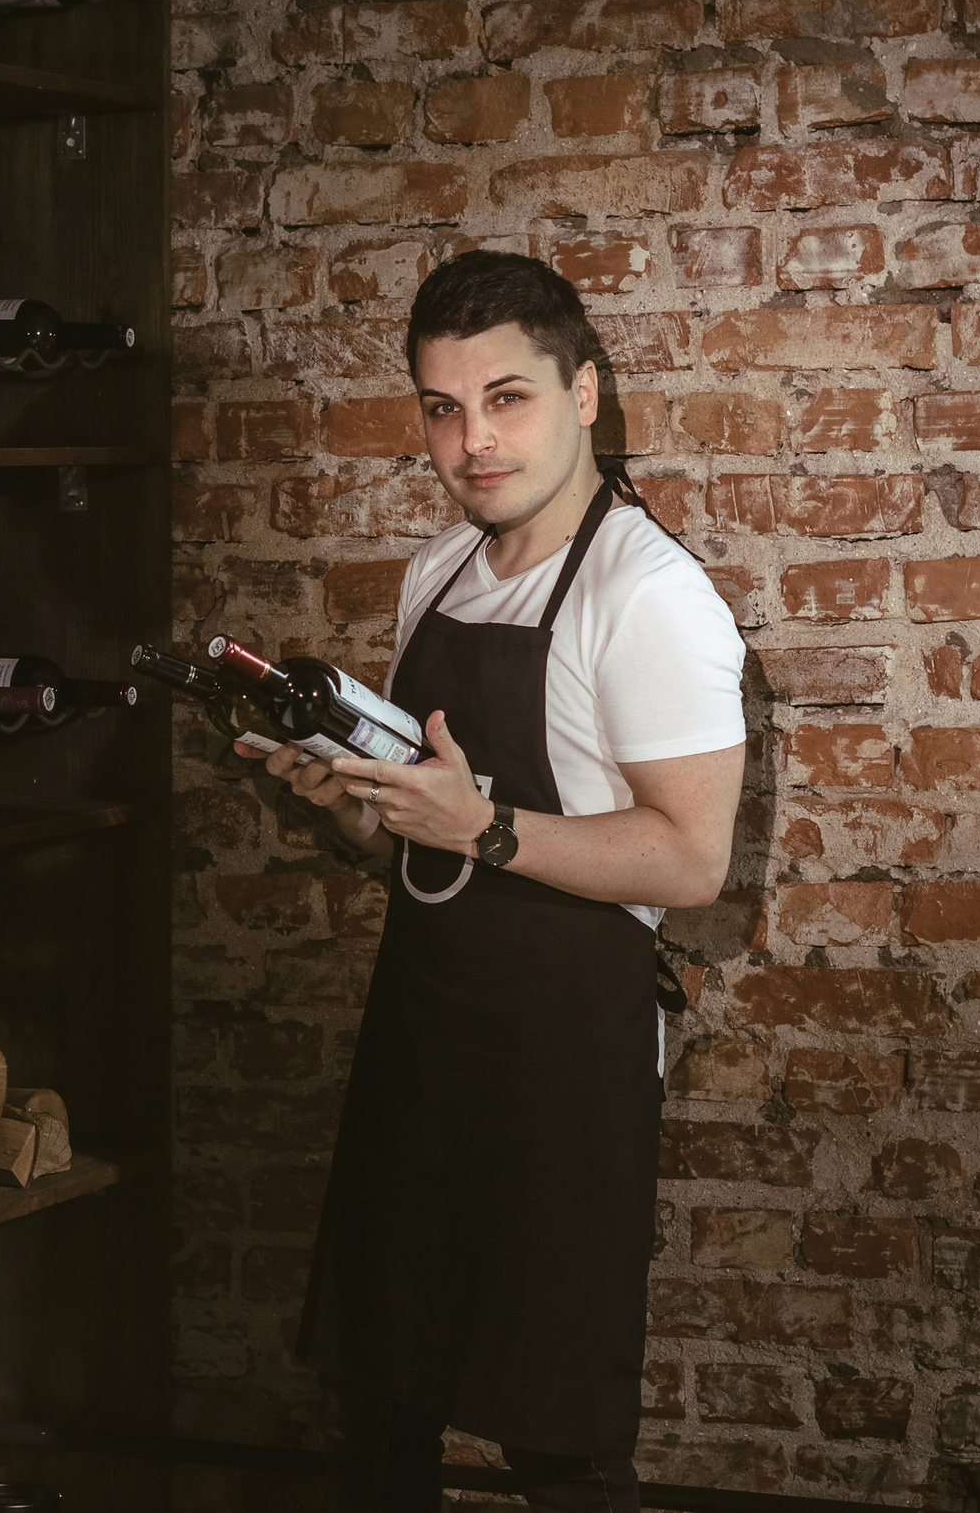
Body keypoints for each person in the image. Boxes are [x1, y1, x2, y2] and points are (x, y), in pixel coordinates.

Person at [242, 250, 749, 1511]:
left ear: (586, 391)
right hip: (421, 1042)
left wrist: (482, 828)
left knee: (557, 1449)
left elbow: (689, 858)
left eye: (507, 398)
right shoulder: (439, 572)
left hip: (560, 1078)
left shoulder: (651, 597)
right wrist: (345, 810)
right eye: (442, 406)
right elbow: (425, 836)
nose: (472, 440)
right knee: (377, 1405)